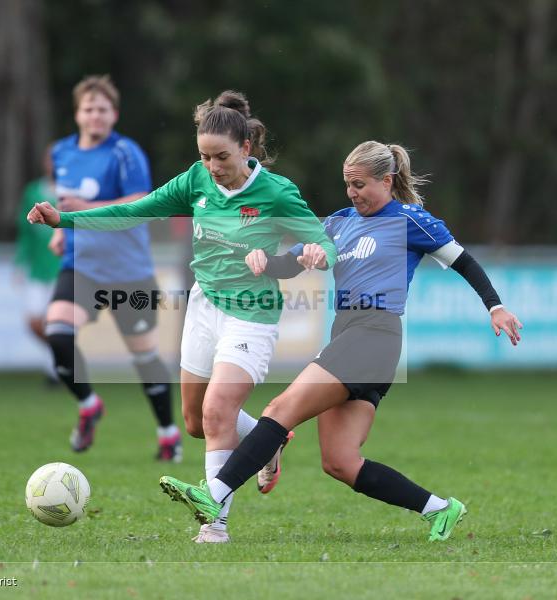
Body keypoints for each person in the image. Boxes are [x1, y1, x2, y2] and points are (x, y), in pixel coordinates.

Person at [158, 141, 523, 543]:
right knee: (340, 461)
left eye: (360, 184)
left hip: (376, 334)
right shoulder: (337, 223)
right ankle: (440, 508)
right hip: (347, 334)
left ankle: (215, 495)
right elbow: (288, 264)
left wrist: (495, 307)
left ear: (387, 181)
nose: (352, 192)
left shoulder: (409, 220)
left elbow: (463, 261)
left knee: (281, 409)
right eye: (348, 184)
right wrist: (265, 263)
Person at [28, 90, 337, 543]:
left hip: (252, 315)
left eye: (222, 157)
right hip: (204, 307)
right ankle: (267, 440)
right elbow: (134, 210)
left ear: (247, 148)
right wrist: (66, 220)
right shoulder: (196, 180)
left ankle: (215, 524)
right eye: (205, 156)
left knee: (217, 411)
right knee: (195, 422)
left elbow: (325, 243)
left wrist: (315, 253)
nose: (213, 166)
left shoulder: (277, 191)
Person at [43, 75, 181, 462]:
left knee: (143, 355)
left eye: (102, 109)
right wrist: (60, 233)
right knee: (57, 333)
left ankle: (168, 433)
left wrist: (79, 211)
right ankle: (88, 404)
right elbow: (64, 205)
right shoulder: (61, 153)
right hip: (81, 266)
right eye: (88, 109)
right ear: (77, 114)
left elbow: (141, 202)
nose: (95, 116)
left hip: (127, 271)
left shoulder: (125, 152)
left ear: (114, 114)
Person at [14, 144, 60, 384]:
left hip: (62, 267)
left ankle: (53, 371)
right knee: (34, 321)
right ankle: (59, 358)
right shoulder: (34, 191)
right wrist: (20, 263)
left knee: (56, 322)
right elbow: (25, 232)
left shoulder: (72, 193)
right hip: (38, 269)